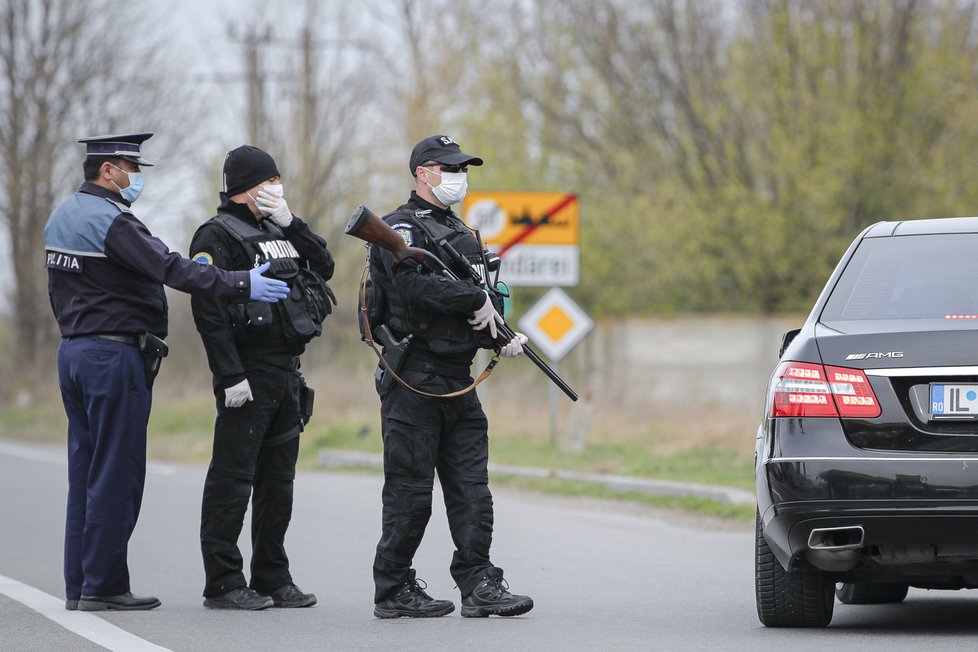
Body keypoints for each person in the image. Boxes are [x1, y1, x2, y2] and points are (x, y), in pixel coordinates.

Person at [44, 133, 290, 612]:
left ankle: (81, 584)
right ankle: (105, 586)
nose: (136, 178)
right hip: (112, 358)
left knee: (87, 475)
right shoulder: (111, 221)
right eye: (132, 169)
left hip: (73, 353)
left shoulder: (62, 215)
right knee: (117, 475)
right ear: (109, 170)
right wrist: (243, 283)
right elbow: (174, 269)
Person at [368, 134, 534, 619]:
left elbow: (476, 300)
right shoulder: (399, 228)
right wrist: (472, 300)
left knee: (472, 491)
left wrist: (498, 335)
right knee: (410, 493)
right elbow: (413, 287)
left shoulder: (460, 232)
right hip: (414, 380)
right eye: (450, 168)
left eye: (463, 169)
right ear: (423, 173)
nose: (459, 177)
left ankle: (479, 583)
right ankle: (394, 588)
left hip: (458, 381)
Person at [189, 145, 335, 610]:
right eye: (270, 183)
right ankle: (224, 583)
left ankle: (272, 576)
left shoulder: (278, 228)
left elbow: (324, 266)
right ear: (248, 189)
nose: (277, 188)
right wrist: (229, 375)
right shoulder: (216, 235)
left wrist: (293, 222)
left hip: (286, 373)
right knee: (233, 481)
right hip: (246, 374)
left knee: (278, 485)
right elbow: (208, 310)